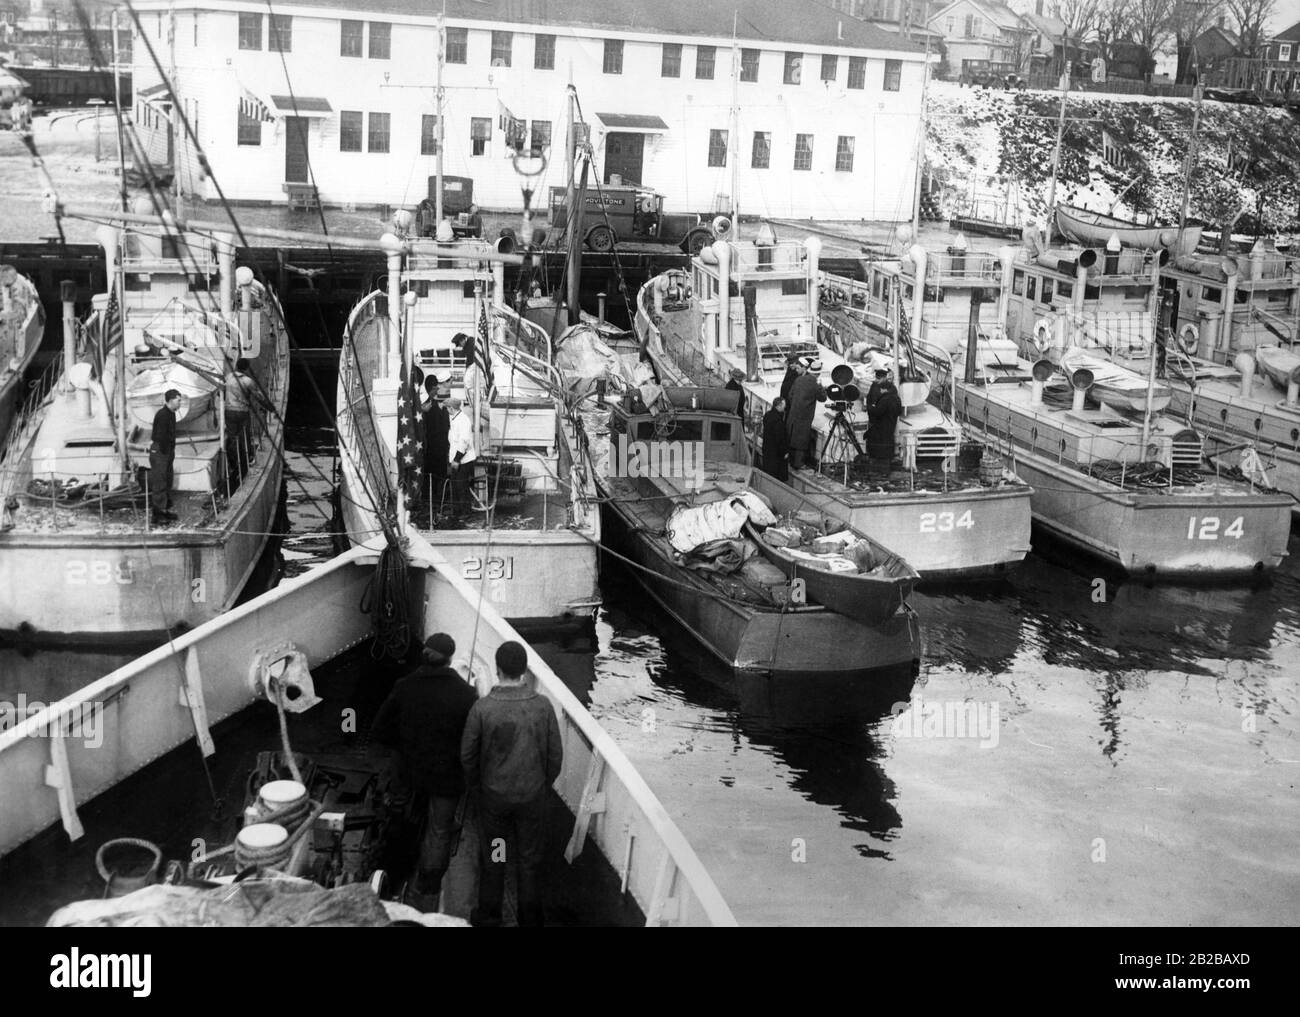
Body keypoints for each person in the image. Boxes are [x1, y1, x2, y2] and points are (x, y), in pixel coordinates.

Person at [371, 632, 478, 908]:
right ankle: (428, 888)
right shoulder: (466, 694)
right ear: (450, 660)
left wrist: (404, 748)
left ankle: (391, 871)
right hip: (446, 777)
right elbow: (471, 742)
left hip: (408, 771)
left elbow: (379, 730)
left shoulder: (404, 686)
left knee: (400, 815)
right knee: (440, 830)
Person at [460, 640, 563, 928]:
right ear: (524, 671)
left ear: (497, 669)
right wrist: (542, 785)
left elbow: (468, 755)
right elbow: (555, 755)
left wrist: (476, 787)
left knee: (495, 857)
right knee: (529, 862)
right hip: (532, 797)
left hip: (494, 801)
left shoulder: (482, 708)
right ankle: (530, 921)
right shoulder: (542, 707)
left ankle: (490, 918)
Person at [785, 359, 826, 471]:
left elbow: (790, 395)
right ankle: (798, 464)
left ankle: (790, 460)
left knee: (791, 437)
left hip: (793, 414)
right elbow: (823, 398)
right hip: (804, 417)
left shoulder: (799, 379)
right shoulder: (816, 384)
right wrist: (821, 386)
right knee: (801, 440)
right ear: (818, 374)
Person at [224, 358, 259, 485]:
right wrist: (269, 408)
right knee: (245, 435)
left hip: (229, 411)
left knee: (233, 436)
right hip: (242, 411)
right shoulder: (248, 381)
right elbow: (258, 396)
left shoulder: (228, 377)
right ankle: (247, 460)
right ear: (246, 368)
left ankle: (234, 462)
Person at [149, 389, 182, 522]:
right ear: (170, 400)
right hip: (160, 451)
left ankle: (164, 509)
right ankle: (157, 515)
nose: (180, 403)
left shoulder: (171, 414)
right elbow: (159, 436)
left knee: (167, 480)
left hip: (167, 451)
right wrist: (164, 452)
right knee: (160, 481)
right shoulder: (163, 415)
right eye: (178, 400)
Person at [422, 377, 451, 508]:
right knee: (434, 477)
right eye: (436, 388)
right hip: (432, 449)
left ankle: (435, 501)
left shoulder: (439, 407)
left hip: (437, 449)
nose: (438, 390)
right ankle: (433, 501)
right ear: (432, 389)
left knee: (437, 477)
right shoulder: (428, 407)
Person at [866, 377, 903, 478]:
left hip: (882, 428)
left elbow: (878, 412)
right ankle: (885, 470)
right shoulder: (896, 398)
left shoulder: (885, 399)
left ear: (884, 389)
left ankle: (879, 471)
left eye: (881, 389)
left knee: (879, 449)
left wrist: (869, 408)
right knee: (887, 449)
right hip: (891, 426)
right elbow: (899, 411)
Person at [447, 395, 478, 513]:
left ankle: (465, 514)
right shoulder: (455, 419)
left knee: (462, 488)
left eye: (447, 408)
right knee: (456, 487)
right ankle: (458, 512)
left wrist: (456, 460)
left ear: (451, 408)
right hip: (457, 459)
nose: (447, 410)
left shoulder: (463, 420)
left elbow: (464, 442)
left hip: (463, 460)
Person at [761, 397, 790, 482]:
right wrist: (784, 452)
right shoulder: (778, 421)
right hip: (776, 454)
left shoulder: (767, 415)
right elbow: (780, 438)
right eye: (783, 405)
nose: (785, 407)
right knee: (776, 477)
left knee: (768, 474)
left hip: (767, 450)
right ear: (779, 406)